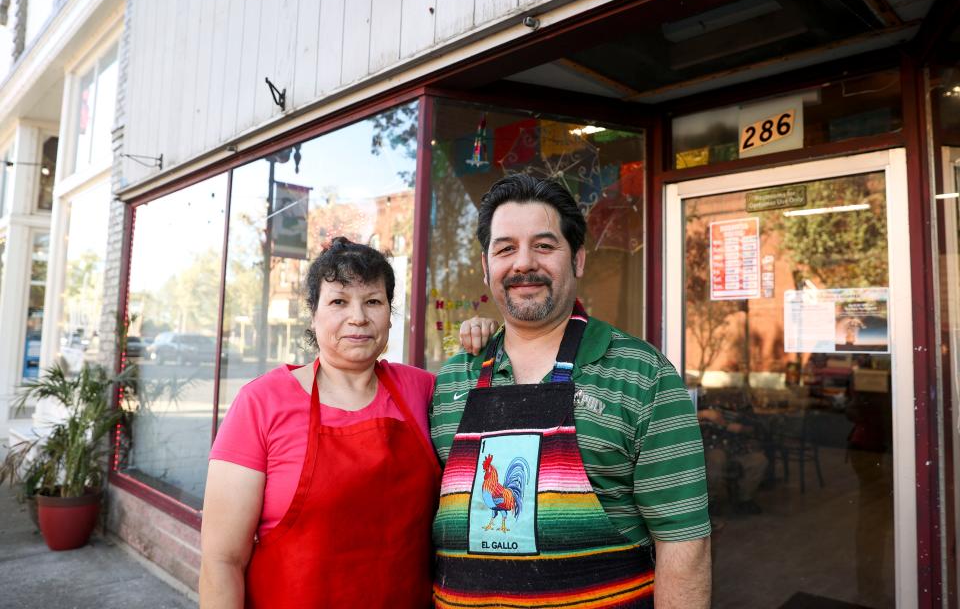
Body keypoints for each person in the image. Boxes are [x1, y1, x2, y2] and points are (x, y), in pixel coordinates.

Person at [430, 174, 712, 609]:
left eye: (544, 246)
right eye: (506, 248)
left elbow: (684, 545)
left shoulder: (642, 376)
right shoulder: (450, 381)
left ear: (578, 259)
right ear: (486, 267)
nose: (523, 263)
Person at [199, 238, 496, 608]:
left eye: (373, 301)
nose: (358, 317)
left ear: (390, 314)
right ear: (313, 314)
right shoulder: (262, 403)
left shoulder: (424, 390)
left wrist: (486, 342)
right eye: (339, 301)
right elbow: (222, 559)